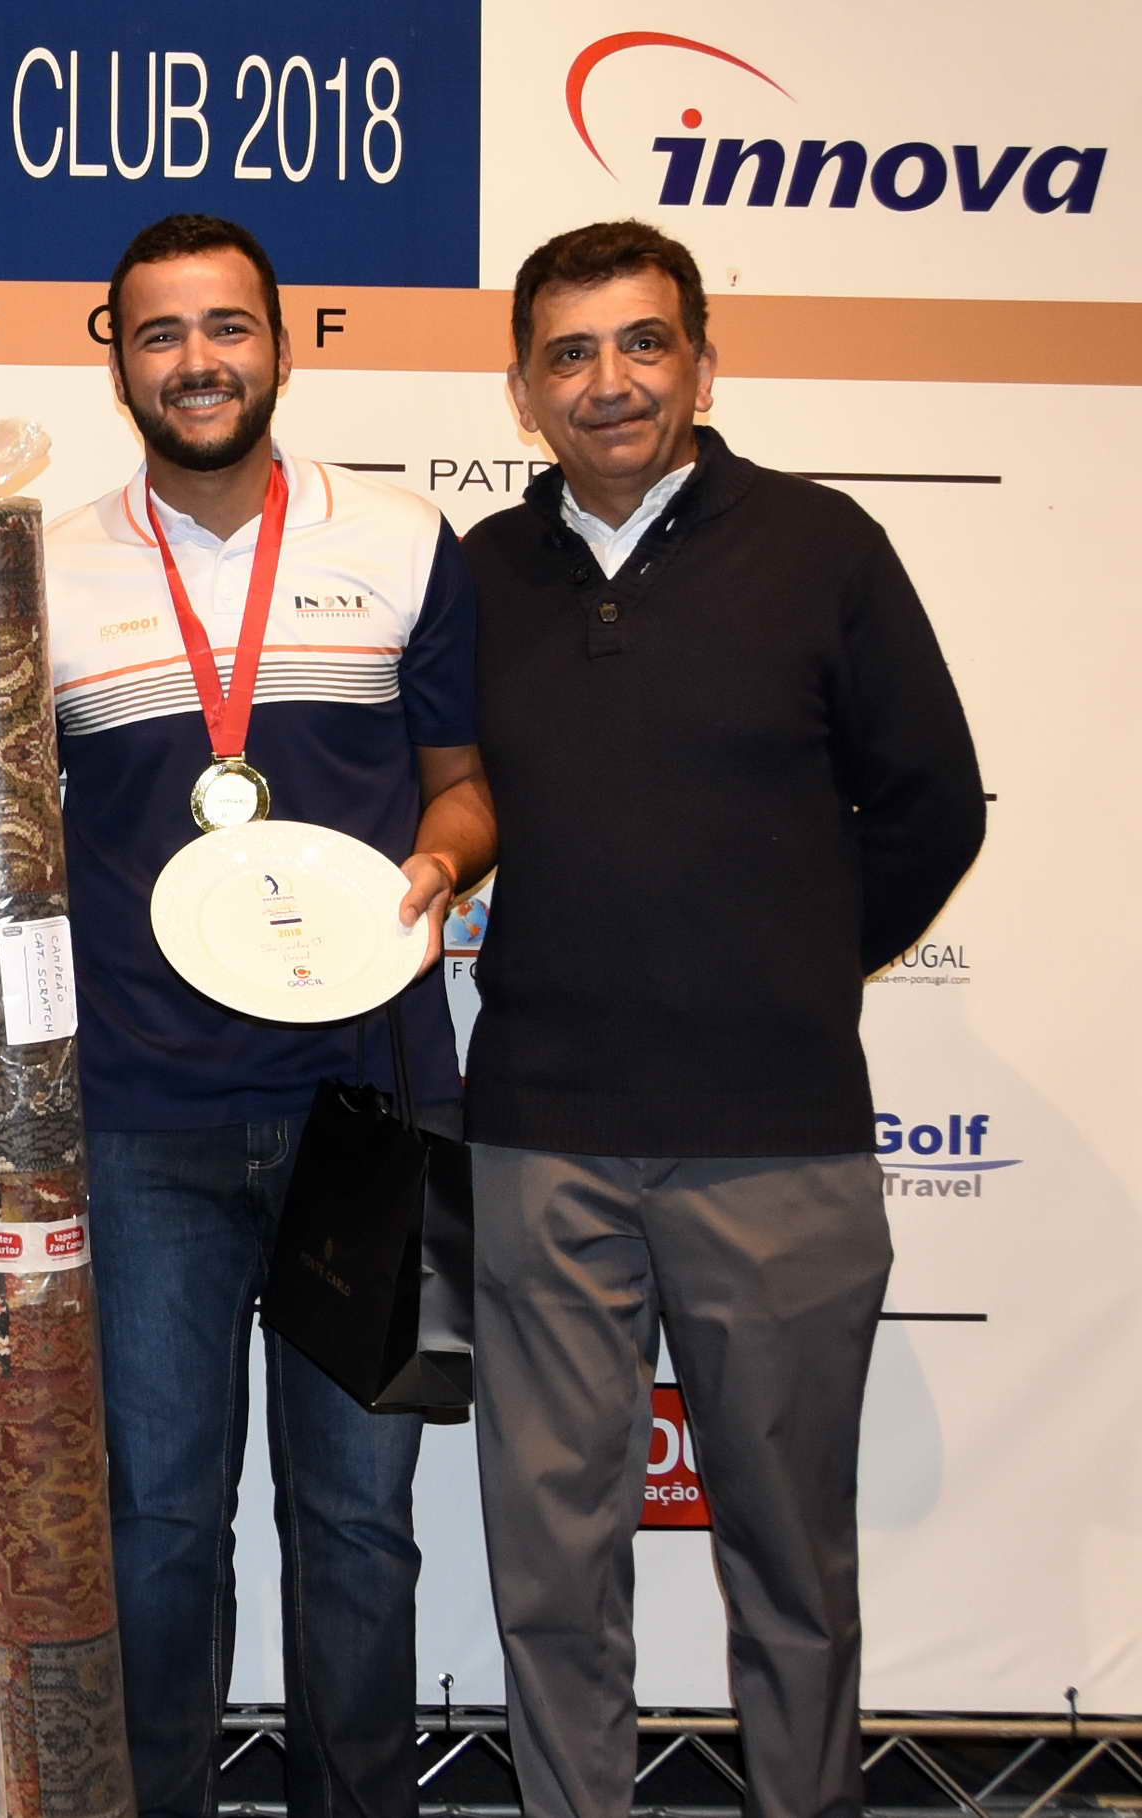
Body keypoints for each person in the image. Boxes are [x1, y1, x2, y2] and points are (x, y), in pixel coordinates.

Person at [0, 212, 495, 1818]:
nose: (198, 360)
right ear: (117, 362)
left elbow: (464, 786)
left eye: (227, 327)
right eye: (161, 332)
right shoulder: (43, 563)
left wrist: (446, 860)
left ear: (280, 346)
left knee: (364, 1525)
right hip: (139, 1118)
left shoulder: (404, 541)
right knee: (158, 1526)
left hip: (381, 1104)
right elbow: (3, 828)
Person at [461, 219, 984, 1818]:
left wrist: (795, 965)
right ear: (523, 391)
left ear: (701, 361)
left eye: (643, 342)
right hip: (542, 1140)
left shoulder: (825, 547)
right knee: (550, 1569)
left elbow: (931, 804)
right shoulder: (477, 577)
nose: (608, 381)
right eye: (569, 353)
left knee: (791, 1564)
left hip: (777, 1146)